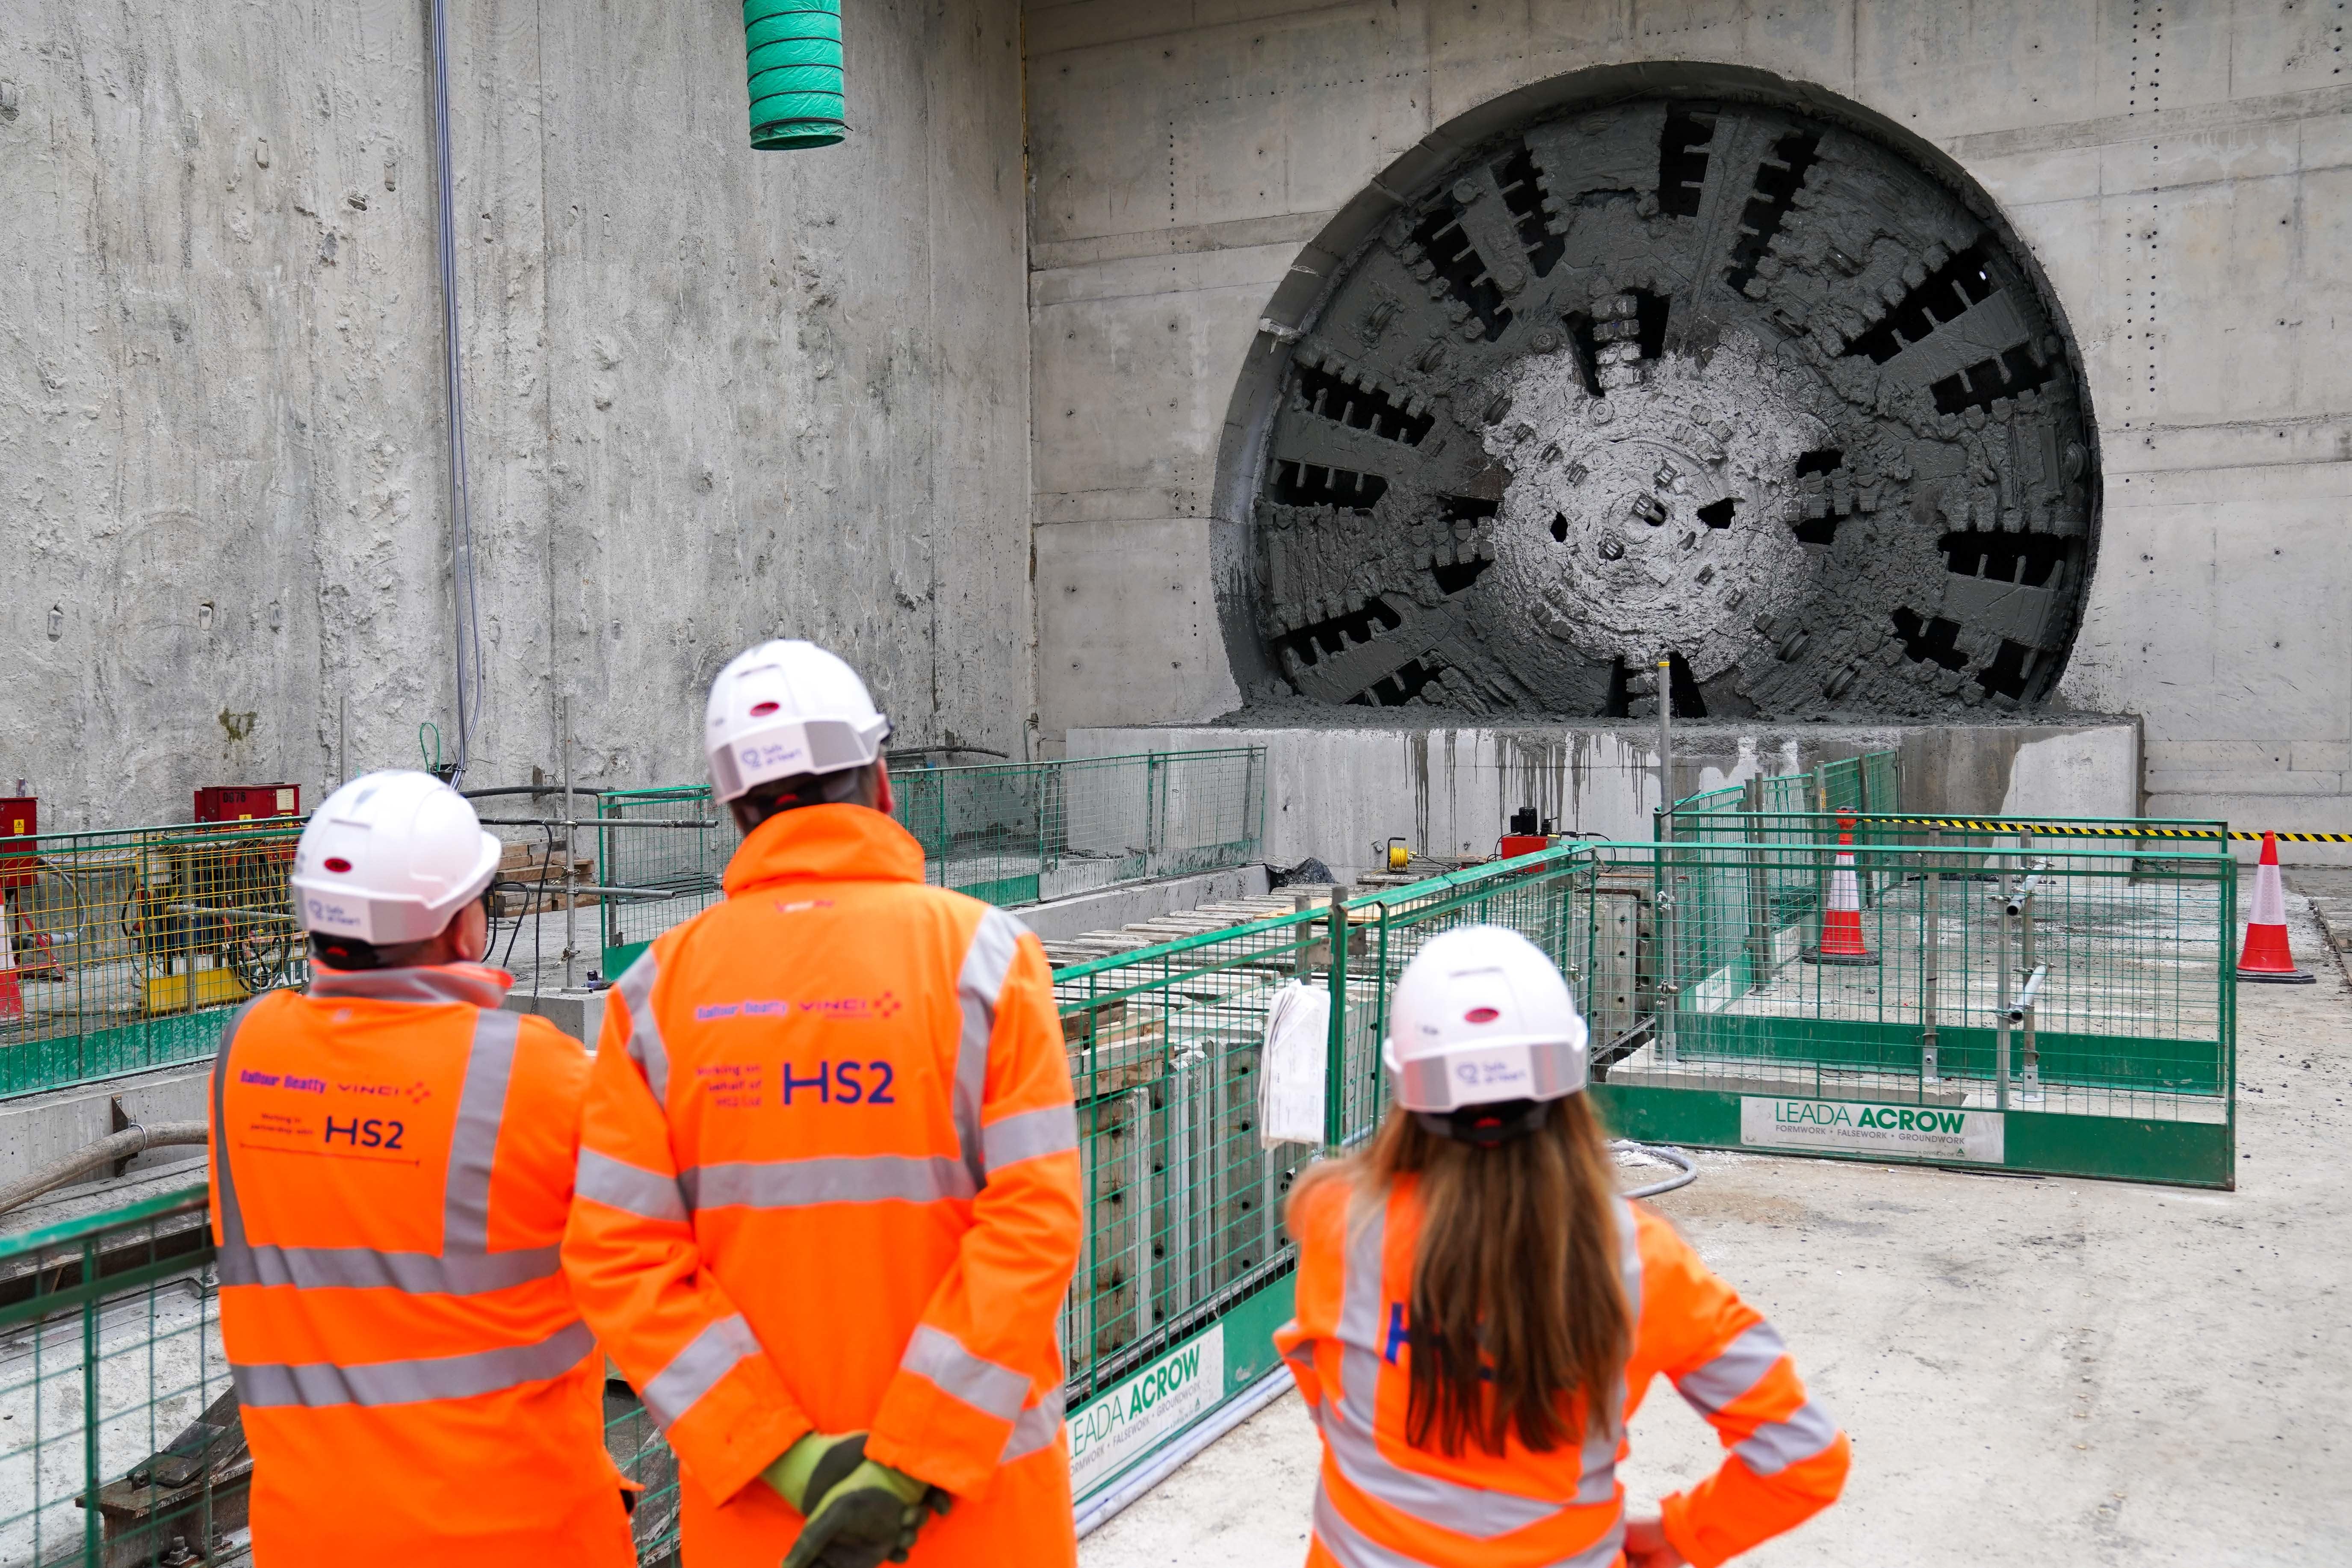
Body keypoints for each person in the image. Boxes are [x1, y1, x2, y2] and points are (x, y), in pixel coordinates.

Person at [561, 639, 1082, 1568]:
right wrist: (907, 1462)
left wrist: (793, 1461)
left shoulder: (653, 995)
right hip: (976, 1510)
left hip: (771, 1524)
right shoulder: (986, 959)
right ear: (880, 780)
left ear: (735, 813)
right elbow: (1033, 1225)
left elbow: (619, 1258)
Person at [1275, 926, 1848, 1568]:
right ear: (1568, 1080)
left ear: (1407, 1090)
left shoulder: (1338, 1221)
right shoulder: (1639, 1263)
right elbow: (1806, 1457)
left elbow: (1324, 1384)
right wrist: (1680, 1535)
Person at [207, 770, 637, 1566]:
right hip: (517, 1535)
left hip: (311, 1534)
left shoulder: (249, 1050)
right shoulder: (534, 1073)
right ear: (460, 930)